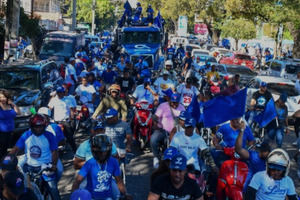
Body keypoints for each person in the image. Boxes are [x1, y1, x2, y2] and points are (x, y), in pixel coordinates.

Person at [9, 114, 60, 199]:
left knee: (53, 190)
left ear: (44, 126)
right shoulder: (26, 135)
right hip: (29, 167)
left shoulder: (49, 135)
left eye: (40, 127)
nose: (38, 129)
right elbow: (15, 149)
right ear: (32, 126)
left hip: (46, 166)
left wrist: (53, 165)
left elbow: (54, 151)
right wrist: (7, 161)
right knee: (24, 191)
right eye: (36, 127)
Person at [71, 134, 132, 200]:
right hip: (91, 197)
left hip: (108, 197)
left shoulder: (114, 162)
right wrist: (74, 196)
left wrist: (125, 194)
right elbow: (77, 182)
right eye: (99, 152)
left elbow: (119, 181)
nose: (102, 154)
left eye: (105, 151)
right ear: (94, 151)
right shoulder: (89, 163)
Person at [151, 94, 185, 168]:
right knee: (153, 139)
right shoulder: (163, 106)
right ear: (169, 101)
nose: (174, 104)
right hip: (162, 130)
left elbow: (185, 120)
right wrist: (155, 123)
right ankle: (156, 157)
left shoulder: (182, 108)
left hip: (177, 133)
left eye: (176, 102)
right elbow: (155, 116)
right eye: (173, 102)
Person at [235, 122, 271, 191]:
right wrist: (241, 131)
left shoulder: (270, 160)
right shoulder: (253, 155)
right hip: (250, 187)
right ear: (261, 151)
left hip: (262, 189)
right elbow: (238, 149)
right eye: (266, 151)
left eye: (269, 151)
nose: (268, 154)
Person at [48, 86, 77, 153]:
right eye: (59, 92)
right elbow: (49, 109)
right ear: (57, 93)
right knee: (54, 137)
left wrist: (72, 118)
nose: (61, 94)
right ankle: (53, 153)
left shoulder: (67, 100)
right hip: (56, 122)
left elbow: (71, 110)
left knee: (70, 138)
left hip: (65, 121)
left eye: (62, 92)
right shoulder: (54, 100)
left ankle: (75, 153)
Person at [0, 90, 20, 160]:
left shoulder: (10, 106)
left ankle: (3, 163)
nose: (3, 99)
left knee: (5, 148)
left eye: (4, 97)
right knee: (2, 149)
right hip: (1, 132)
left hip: (10, 131)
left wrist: (13, 104)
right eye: (1, 97)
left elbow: (18, 112)